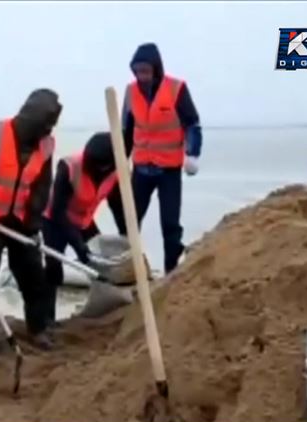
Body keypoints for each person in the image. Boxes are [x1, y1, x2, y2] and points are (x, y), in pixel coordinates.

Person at [0, 89, 62, 357]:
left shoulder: (45, 145)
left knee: (33, 278)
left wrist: (33, 221)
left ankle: (37, 329)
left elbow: (43, 185)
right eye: (46, 125)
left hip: (22, 220)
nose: (48, 131)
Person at [122, 42, 203, 274]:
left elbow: (192, 124)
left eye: (145, 71)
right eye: (137, 72)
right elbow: (126, 131)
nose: (142, 76)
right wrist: (120, 162)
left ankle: (170, 271)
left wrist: (193, 154)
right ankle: (132, 269)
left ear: (156, 69)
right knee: (130, 221)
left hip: (168, 169)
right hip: (141, 169)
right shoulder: (130, 92)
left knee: (170, 224)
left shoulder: (176, 89)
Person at [41, 132, 127, 327]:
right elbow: (58, 212)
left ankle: (103, 308)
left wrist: (127, 238)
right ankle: (47, 320)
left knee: (101, 263)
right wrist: (79, 246)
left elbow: (118, 209)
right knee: (54, 268)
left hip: (84, 221)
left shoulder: (115, 173)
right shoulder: (69, 167)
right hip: (55, 220)